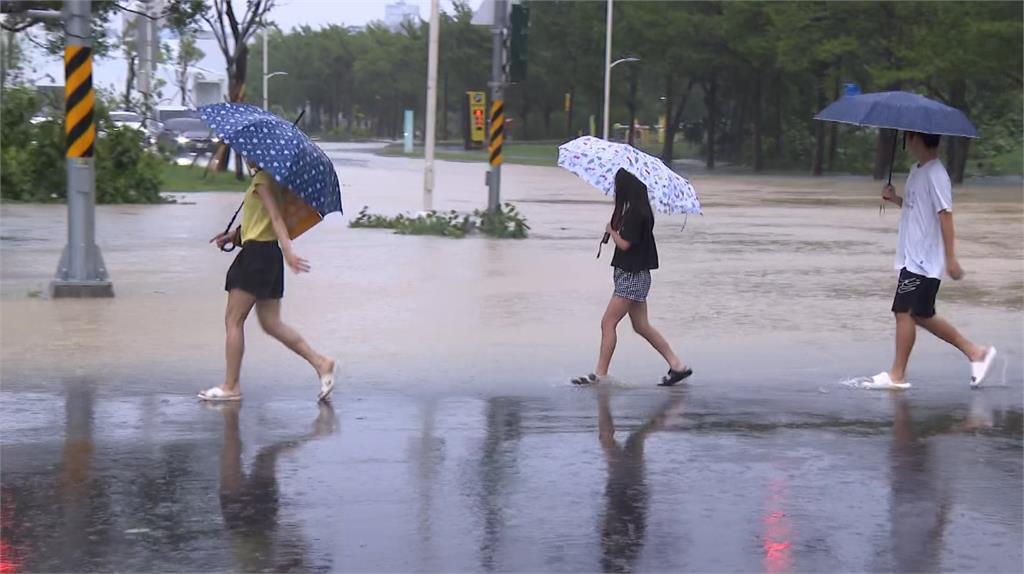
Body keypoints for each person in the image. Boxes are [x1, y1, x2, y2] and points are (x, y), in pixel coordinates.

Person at [868, 132, 996, 390]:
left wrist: (950, 258)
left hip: (924, 261)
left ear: (916, 138)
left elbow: (945, 216)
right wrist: (895, 200)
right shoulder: (918, 171)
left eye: (907, 136)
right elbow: (916, 208)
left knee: (903, 311)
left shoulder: (936, 174)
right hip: (913, 256)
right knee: (921, 314)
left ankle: (897, 375)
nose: (905, 140)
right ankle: (976, 353)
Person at [199, 161, 336, 402]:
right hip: (268, 255)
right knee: (271, 323)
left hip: (257, 257)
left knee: (233, 320)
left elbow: (275, 218)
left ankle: (231, 386)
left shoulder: (263, 180)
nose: (246, 157)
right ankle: (321, 362)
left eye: (248, 154)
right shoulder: (271, 179)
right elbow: (261, 223)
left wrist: (289, 252)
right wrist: (234, 235)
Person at [574, 168, 691, 386]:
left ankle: (600, 374)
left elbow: (625, 244)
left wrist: (612, 230)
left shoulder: (637, 213)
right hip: (634, 275)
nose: (616, 189)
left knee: (608, 322)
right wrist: (616, 226)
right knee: (641, 326)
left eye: (619, 185)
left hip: (632, 277)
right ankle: (677, 366)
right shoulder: (637, 210)